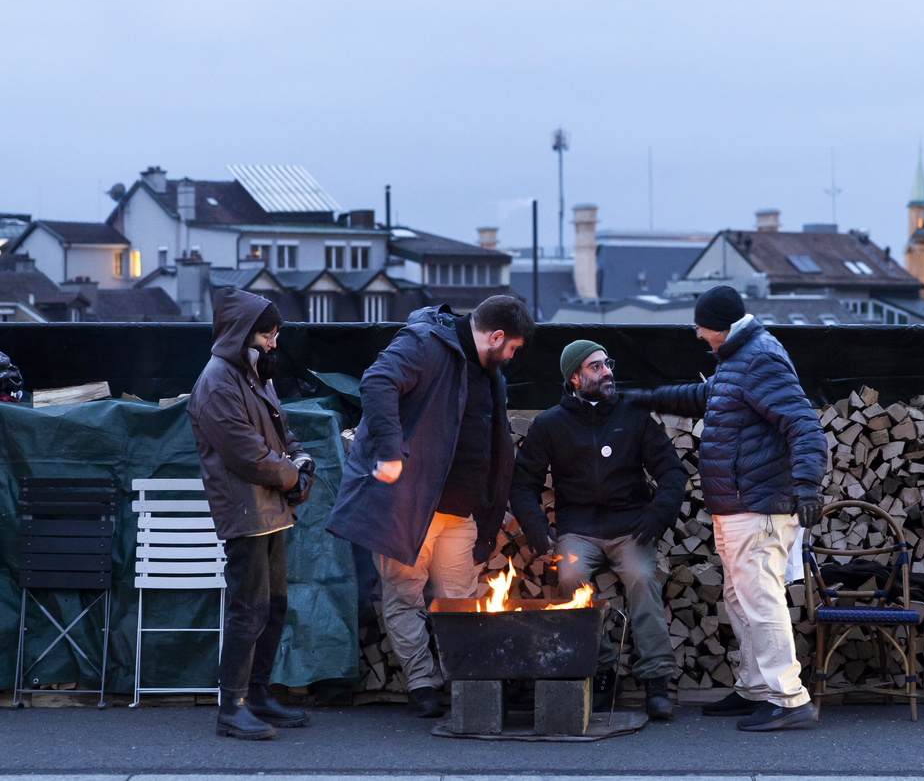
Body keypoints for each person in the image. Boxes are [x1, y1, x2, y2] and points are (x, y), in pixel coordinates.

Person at [327, 295, 533, 718]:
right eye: (512, 348)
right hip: (408, 508)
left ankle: (461, 683)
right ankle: (422, 684)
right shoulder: (423, 343)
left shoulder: (490, 372)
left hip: (461, 514)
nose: (512, 357)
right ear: (495, 336)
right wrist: (388, 452)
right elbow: (377, 381)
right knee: (404, 598)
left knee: (458, 600)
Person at [635, 286, 827, 731]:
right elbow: (707, 398)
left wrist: (808, 487)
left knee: (760, 599)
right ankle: (757, 688)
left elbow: (803, 424)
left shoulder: (758, 358)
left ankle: (788, 698)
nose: (698, 335)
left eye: (700, 326)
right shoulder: (738, 359)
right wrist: (646, 397)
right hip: (739, 504)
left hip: (758, 505)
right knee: (741, 598)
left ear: (719, 325)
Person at [510, 340, 688, 721]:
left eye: (607, 364)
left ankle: (657, 681)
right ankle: (603, 669)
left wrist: (658, 515)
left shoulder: (634, 415)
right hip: (579, 530)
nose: (607, 372)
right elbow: (522, 483)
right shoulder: (549, 425)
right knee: (570, 576)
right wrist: (537, 528)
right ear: (574, 377)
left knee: (642, 578)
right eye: (595, 367)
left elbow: (673, 471)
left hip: (631, 527)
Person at [189, 288, 314, 740]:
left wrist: (301, 463)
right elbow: (246, 453)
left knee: (273, 606)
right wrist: (291, 476)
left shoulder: (253, 372)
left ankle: (257, 694)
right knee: (248, 608)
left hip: (268, 508)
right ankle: (232, 707)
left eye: (276, 332)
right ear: (243, 333)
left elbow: (282, 431)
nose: (274, 341)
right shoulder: (218, 382)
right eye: (267, 333)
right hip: (244, 511)